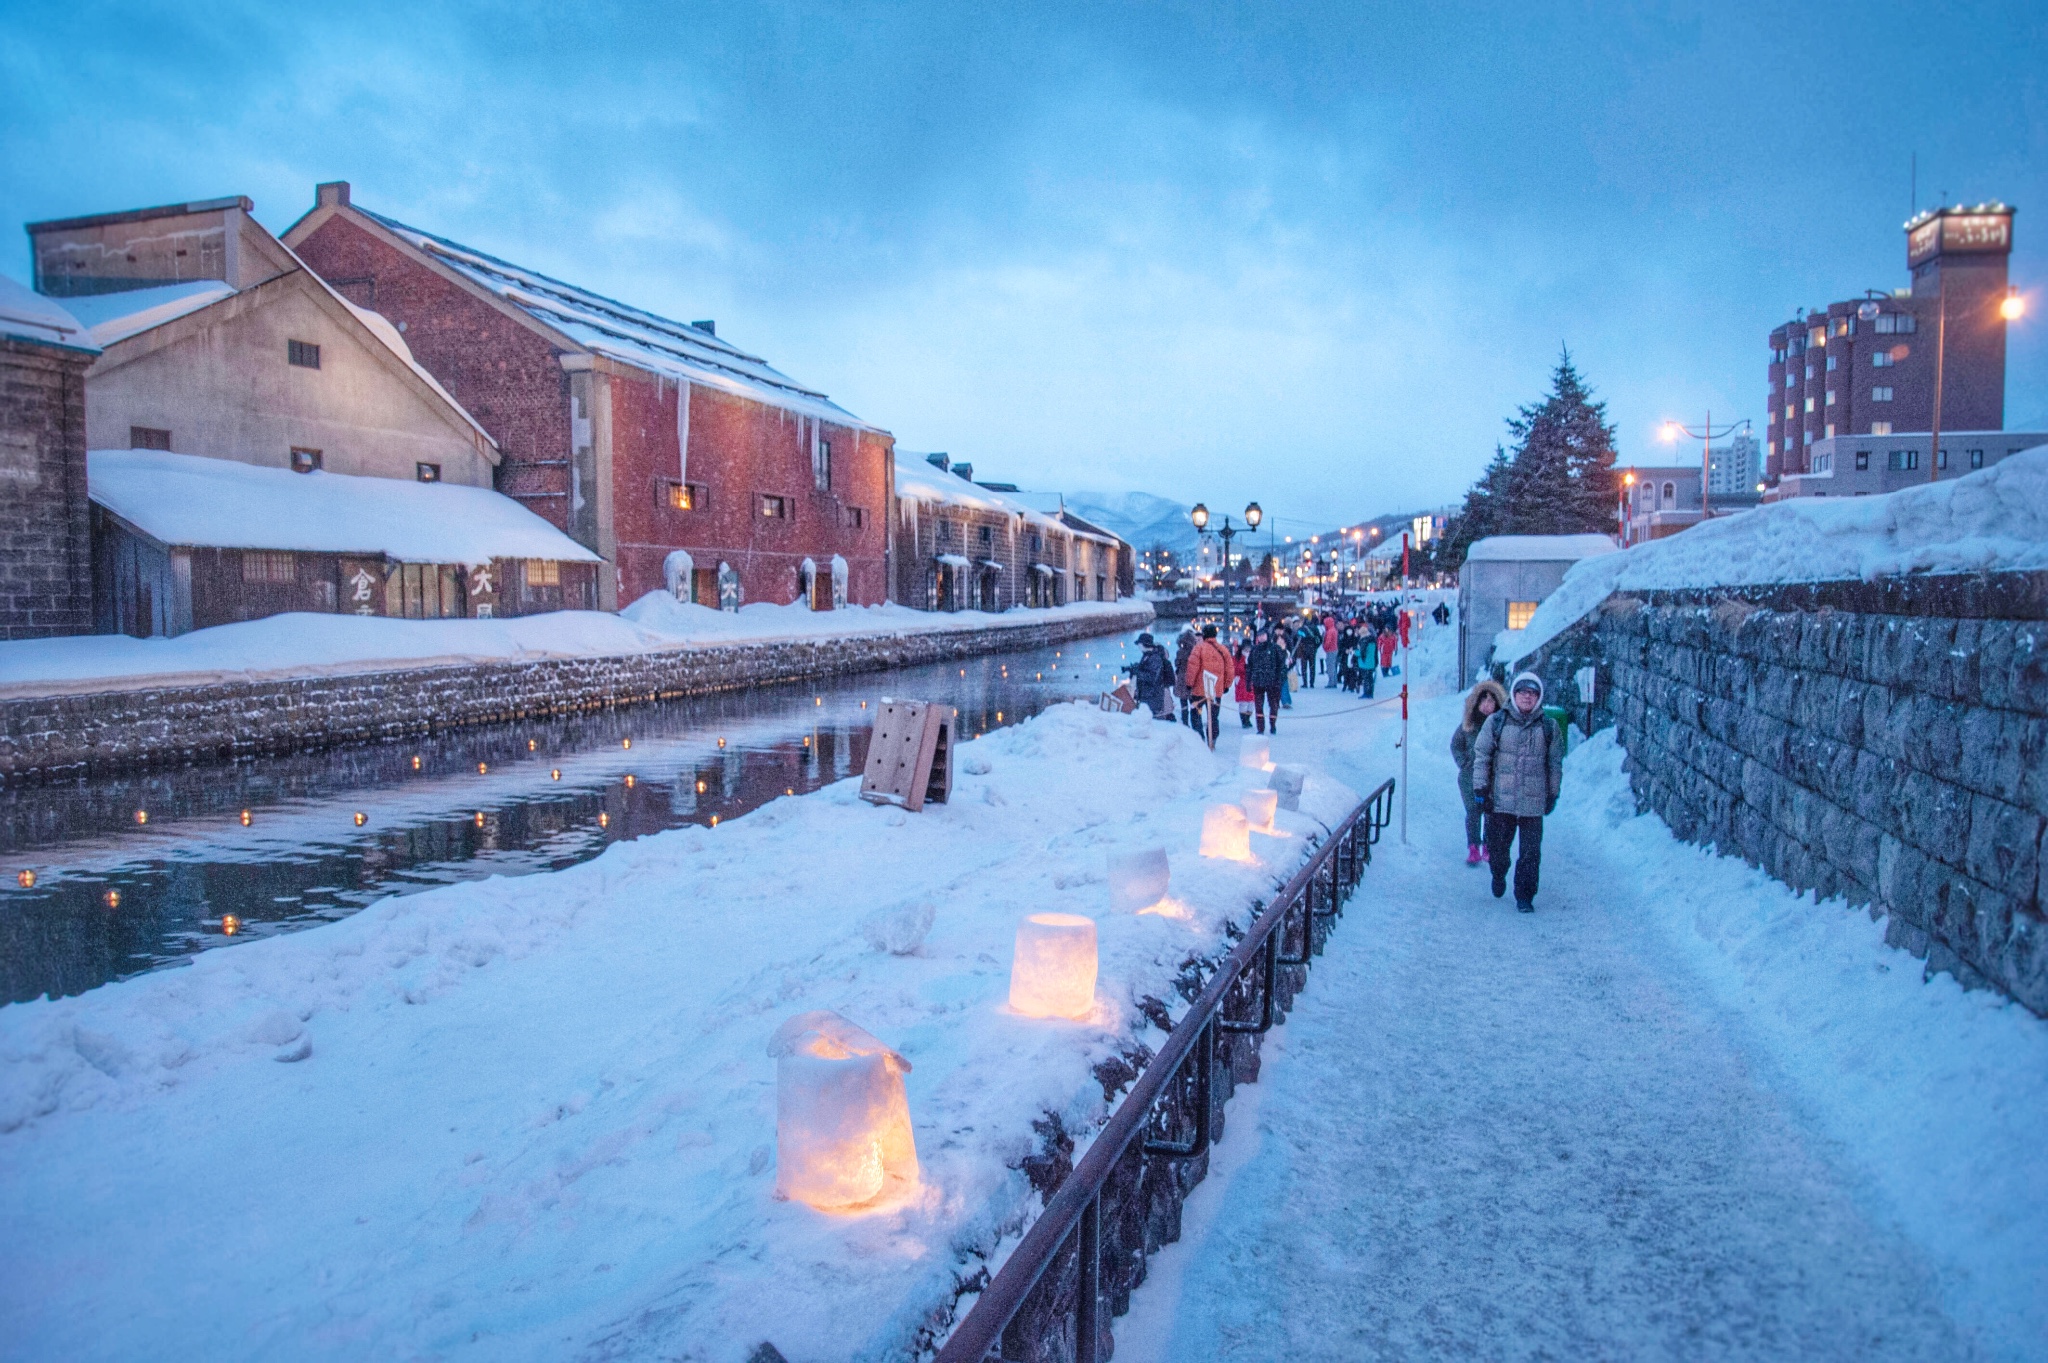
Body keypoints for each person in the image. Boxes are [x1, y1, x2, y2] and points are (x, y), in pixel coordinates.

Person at [1470, 672, 1563, 913]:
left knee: (1531, 853)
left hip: (1533, 801)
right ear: (1514, 694)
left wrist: (1552, 793)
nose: (1526, 697)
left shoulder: (1549, 727)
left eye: (1532, 693)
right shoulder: (1497, 722)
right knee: (1498, 847)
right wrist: (1480, 788)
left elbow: (1554, 763)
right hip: (1501, 800)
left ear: (1539, 697)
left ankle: (1525, 895)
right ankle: (1498, 873)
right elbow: (1482, 756)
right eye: (1522, 692)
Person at [1450, 680, 1506, 866]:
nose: (1487, 705)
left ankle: (1488, 846)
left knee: (1491, 812)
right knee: (1473, 812)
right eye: (1483, 701)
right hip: (1469, 777)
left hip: (1493, 777)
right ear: (1476, 703)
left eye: (1491, 701)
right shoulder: (1469, 725)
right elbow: (1455, 745)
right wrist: (1463, 762)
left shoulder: (1501, 726)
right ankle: (1473, 846)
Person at [1184, 624, 1235, 748]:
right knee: (1213, 717)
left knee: (1196, 714)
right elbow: (1230, 669)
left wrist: (1189, 684)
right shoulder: (1223, 650)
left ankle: (1200, 739)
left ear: (1204, 634)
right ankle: (1212, 740)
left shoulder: (1198, 648)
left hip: (1199, 690)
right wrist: (1226, 685)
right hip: (1215, 690)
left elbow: (1192, 668)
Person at [1245, 627, 1287, 735]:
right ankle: (1260, 728)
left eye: (1263, 635)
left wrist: (1279, 679)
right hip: (1258, 681)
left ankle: (1272, 724)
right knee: (1258, 706)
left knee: (1273, 705)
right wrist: (1248, 681)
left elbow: (1281, 665)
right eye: (1259, 635)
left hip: (1272, 682)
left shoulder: (1275, 648)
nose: (1261, 637)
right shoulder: (1254, 650)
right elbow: (1249, 666)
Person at [1124, 632, 1173, 718]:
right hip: (1147, 695)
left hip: (1152, 696)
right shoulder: (1147, 656)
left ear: (1144, 645)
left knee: (1152, 721)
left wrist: (1137, 672)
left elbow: (1152, 677)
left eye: (1139, 644)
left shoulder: (1154, 658)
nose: (1138, 646)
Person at [1173, 625, 1198, 730]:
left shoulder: (1180, 652)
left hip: (1182, 678)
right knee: (1193, 703)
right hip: (1193, 678)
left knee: (1183, 702)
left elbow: (1177, 664)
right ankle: (1196, 722)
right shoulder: (1195, 652)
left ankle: (1185, 723)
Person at [1231, 641, 1255, 728]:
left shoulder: (1253, 657)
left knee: (1251, 703)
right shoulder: (1237, 658)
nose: (1247, 651)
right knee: (1243, 702)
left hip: (1251, 682)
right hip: (1241, 682)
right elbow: (1234, 668)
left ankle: (1248, 718)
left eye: (1249, 649)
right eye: (1245, 649)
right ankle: (1244, 720)